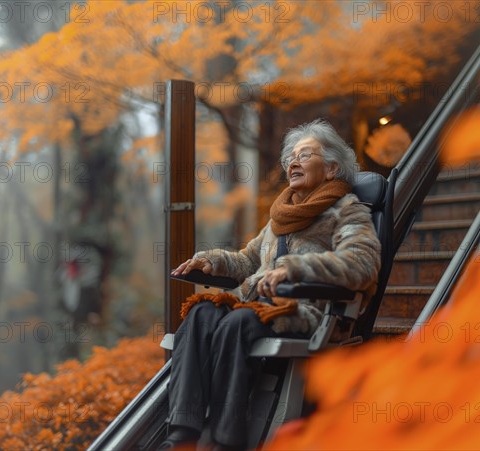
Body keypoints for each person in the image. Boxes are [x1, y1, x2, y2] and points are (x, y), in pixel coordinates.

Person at [159, 119, 381, 450]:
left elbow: (362, 264)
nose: (293, 161)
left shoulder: (347, 211)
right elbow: (249, 261)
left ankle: (225, 439)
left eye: (305, 155)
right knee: (202, 313)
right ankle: (183, 432)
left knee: (238, 321)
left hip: (310, 309)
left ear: (332, 168)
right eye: (291, 156)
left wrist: (296, 268)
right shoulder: (283, 214)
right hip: (260, 304)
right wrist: (213, 261)